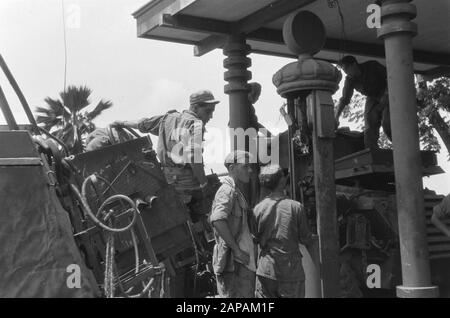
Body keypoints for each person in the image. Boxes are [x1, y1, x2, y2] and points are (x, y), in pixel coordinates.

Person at [112, 90, 219, 222]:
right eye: (208, 111)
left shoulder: (168, 118)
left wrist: (122, 123)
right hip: (188, 185)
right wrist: (204, 184)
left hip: (166, 181)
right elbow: (193, 156)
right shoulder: (195, 124)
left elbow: (143, 124)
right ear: (195, 107)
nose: (211, 116)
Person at [253, 164, 317, 298]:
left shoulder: (258, 209)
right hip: (290, 273)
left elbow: (255, 239)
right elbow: (306, 239)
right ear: (282, 181)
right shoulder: (296, 207)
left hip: (266, 271)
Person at [209, 150, 256, 298]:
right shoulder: (227, 191)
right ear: (231, 168)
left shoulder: (235, 191)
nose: (250, 170)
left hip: (240, 263)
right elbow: (217, 220)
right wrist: (237, 250)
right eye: (245, 166)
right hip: (234, 264)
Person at [335, 55, 392, 150]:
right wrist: (336, 117)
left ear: (354, 64)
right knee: (369, 122)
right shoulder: (350, 80)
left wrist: (386, 94)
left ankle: (400, 147)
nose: (346, 72)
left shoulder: (372, 66)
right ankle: (372, 152)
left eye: (346, 69)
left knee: (387, 123)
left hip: (387, 91)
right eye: (344, 70)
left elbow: (390, 77)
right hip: (372, 97)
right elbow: (344, 99)